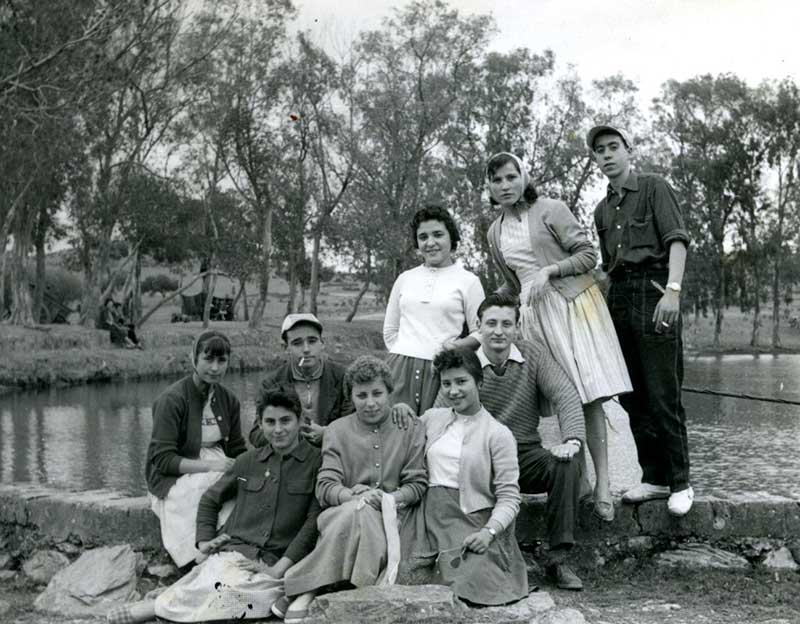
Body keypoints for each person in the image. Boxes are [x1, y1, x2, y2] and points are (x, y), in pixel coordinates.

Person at [485, 151, 632, 522]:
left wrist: (550, 271)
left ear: (523, 177)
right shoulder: (494, 231)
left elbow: (587, 255)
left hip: (572, 308)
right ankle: (577, 482)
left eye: (510, 177)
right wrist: (491, 306)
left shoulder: (550, 209)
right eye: (496, 180)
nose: (504, 186)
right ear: (488, 186)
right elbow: (513, 282)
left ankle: (602, 485)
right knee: (561, 397)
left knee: (588, 396)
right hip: (534, 316)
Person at [108, 386, 321, 624]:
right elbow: (211, 499)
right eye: (270, 422)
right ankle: (165, 605)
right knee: (219, 582)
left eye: (286, 421)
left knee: (250, 599)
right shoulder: (247, 462)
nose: (278, 429)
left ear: (300, 420)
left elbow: (313, 522)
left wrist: (277, 569)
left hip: (275, 562)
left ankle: (159, 607)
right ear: (260, 425)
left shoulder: (316, 462)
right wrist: (204, 541)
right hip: (234, 555)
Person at [433, 293, 586, 590]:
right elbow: (439, 415)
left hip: (524, 454)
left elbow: (566, 396)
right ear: (479, 326)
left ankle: (558, 559)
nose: (499, 331)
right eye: (491, 323)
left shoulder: (534, 355)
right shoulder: (465, 364)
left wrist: (573, 441)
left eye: (507, 323)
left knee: (566, 464)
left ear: (517, 327)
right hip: (478, 458)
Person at [587, 125, 693, 516]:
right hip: (619, 299)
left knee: (663, 392)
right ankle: (654, 477)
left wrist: (673, 291)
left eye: (614, 147)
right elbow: (608, 268)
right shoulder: (602, 209)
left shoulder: (653, 187)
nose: (607, 156)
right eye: (600, 151)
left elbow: (677, 240)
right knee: (632, 396)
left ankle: (681, 482)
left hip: (654, 291)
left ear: (628, 150)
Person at [274, 356, 427, 623]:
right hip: (343, 515)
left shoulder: (409, 427)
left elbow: (417, 484)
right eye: (361, 395)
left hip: (394, 519)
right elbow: (326, 487)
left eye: (378, 393)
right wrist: (356, 496)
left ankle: (305, 587)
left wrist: (388, 499)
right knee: (358, 513)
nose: (370, 403)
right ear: (351, 397)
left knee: (365, 515)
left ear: (390, 392)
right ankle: (323, 589)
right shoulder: (336, 430)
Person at [419, 347, 528, 606]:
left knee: (472, 576)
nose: (453, 390)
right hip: (426, 515)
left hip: (470, 518)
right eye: (446, 383)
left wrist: (488, 533)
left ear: (479, 382)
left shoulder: (498, 434)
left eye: (461, 381)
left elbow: (510, 498)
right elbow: (394, 433)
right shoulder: (431, 419)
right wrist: (400, 409)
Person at [145, 330, 247, 567]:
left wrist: (254, 467)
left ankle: (229, 551)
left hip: (218, 461)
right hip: (175, 472)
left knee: (242, 489)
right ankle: (197, 559)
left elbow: (236, 447)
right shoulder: (172, 400)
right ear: (193, 359)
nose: (214, 367)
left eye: (221, 361)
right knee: (200, 491)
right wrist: (211, 466)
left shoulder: (229, 400)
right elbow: (163, 459)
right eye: (208, 359)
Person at [384, 204, 485, 415]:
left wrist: (453, 347)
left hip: (442, 370)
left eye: (438, 234)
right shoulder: (405, 278)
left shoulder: (468, 281)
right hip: (399, 370)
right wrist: (408, 353)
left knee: (437, 435)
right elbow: (390, 331)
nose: (430, 243)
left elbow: (481, 333)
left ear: (451, 238)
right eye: (423, 237)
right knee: (397, 434)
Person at [249, 313, 352, 448]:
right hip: (289, 459)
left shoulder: (343, 377)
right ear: (286, 348)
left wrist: (327, 433)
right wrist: (292, 434)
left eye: (312, 341)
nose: (306, 349)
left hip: (333, 454)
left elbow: (357, 425)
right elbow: (256, 435)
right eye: (297, 343)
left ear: (322, 344)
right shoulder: (272, 383)